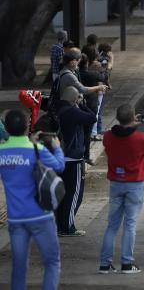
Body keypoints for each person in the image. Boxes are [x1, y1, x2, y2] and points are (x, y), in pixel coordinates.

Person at [0, 109, 65, 290]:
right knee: (52, 262)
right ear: (27, 126)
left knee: (19, 267)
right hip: (40, 215)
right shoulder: (37, 149)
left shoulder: (1, 152)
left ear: (6, 128)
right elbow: (59, 165)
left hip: (15, 218)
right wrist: (57, 147)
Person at [98, 104, 144, 274]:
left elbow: (119, 133)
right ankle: (127, 263)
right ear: (132, 117)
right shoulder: (140, 139)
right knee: (130, 224)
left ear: (117, 118)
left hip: (116, 183)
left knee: (112, 225)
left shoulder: (108, 137)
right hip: (134, 183)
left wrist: (131, 123)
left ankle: (105, 264)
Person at [50, 87, 95, 236]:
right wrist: (82, 104)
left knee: (61, 194)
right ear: (75, 99)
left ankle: (59, 226)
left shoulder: (56, 108)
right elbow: (92, 117)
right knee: (75, 193)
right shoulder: (73, 112)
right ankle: (68, 227)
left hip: (58, 157)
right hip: (73, 158)